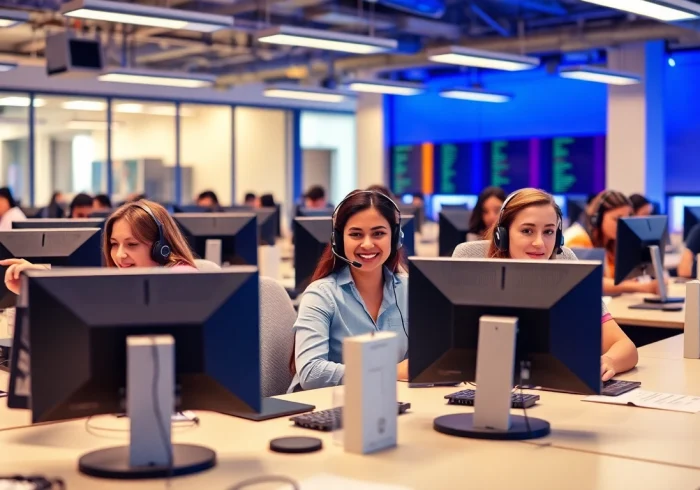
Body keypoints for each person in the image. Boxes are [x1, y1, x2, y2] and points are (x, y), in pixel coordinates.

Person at [452, 188, 638, 381]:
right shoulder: (472, 261)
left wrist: (609, 361)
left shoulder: (566, 264)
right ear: (503, 235)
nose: (540, 243)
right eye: (527, 231)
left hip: (547, 391)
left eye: (549, 231)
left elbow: (626, 346)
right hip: (478, 386)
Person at [289, 189, 409, 392]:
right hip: (326, 409)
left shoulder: (409, 292)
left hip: (388, 403)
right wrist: (389, 371)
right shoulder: (321, 295)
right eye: (356, 234)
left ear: (395, 237)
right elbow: (311, 372)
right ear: (339, 239)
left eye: (379, 233)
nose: (368, 244)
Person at [2, 200, 197, 294]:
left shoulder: (183, 277)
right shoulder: (130, 281)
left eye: (132, 244)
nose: (119, 255)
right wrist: (37, 282)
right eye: (114, 244)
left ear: (160, 247)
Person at [564, 190, 662, 296]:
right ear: (597, 219)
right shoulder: (578, 239)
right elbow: (591, 281)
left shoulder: (611, 242)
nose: (623, 225)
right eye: (617, 219)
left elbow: (620, 278)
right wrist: (641, 287)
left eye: (627, 219)